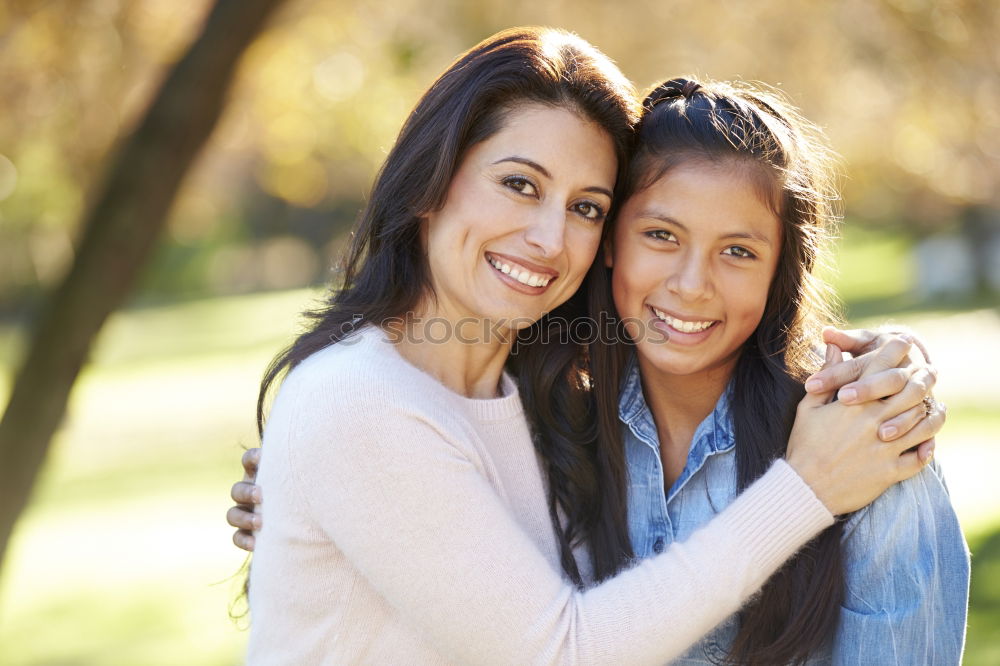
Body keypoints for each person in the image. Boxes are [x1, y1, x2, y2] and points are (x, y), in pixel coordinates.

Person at [234, 28, 945, 664]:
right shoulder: (359, 401)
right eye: (519, 184)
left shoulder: (538, 407)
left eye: (586, 208)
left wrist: (889, 360)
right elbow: (563, 652)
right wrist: (807, 489)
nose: (549, 239)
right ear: (431, 179)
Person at [587, 78, 969, 663]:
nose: (691, 285)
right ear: (611, 240)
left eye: (738, 251)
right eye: (661, 235)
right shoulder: (546, 428)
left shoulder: (870, 438)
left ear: (780, 270)